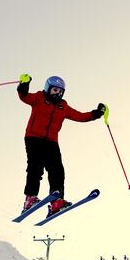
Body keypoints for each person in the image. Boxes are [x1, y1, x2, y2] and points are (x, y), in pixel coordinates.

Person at [16, 73, 105, 216]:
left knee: (57, 169)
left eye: (60, 91)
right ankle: (30, 198)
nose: (57, 93)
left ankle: (57, 201)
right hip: (34, 138)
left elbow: (80, 116)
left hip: (51, 141)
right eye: (54, 90)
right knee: (35, 167)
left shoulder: (63, 107)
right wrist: (24, 84)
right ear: (48, 88)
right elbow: (24, 96)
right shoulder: (39, 97)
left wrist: (96, 113)